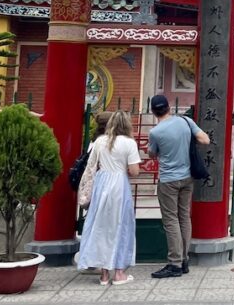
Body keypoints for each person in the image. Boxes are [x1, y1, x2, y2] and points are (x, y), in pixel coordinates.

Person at [146, 94, 210, 278]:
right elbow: (205, 140)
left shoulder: (155, 132)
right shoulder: (186, 122)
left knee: (171, 220)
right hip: (187, 177)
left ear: (153, 111)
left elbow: (152, 154)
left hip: (168, 180)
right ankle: (184, 259)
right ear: (168, 107)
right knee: (184, 217)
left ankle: (174, 263)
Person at [76, 110, 141, 285]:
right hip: (120, 185)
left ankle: (104, 274)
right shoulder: (129, 143)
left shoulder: (99, 141)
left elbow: (91, 165)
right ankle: (119, 273)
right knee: (121, 226)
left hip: (101, 183)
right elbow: (134, 171)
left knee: (101, 226)